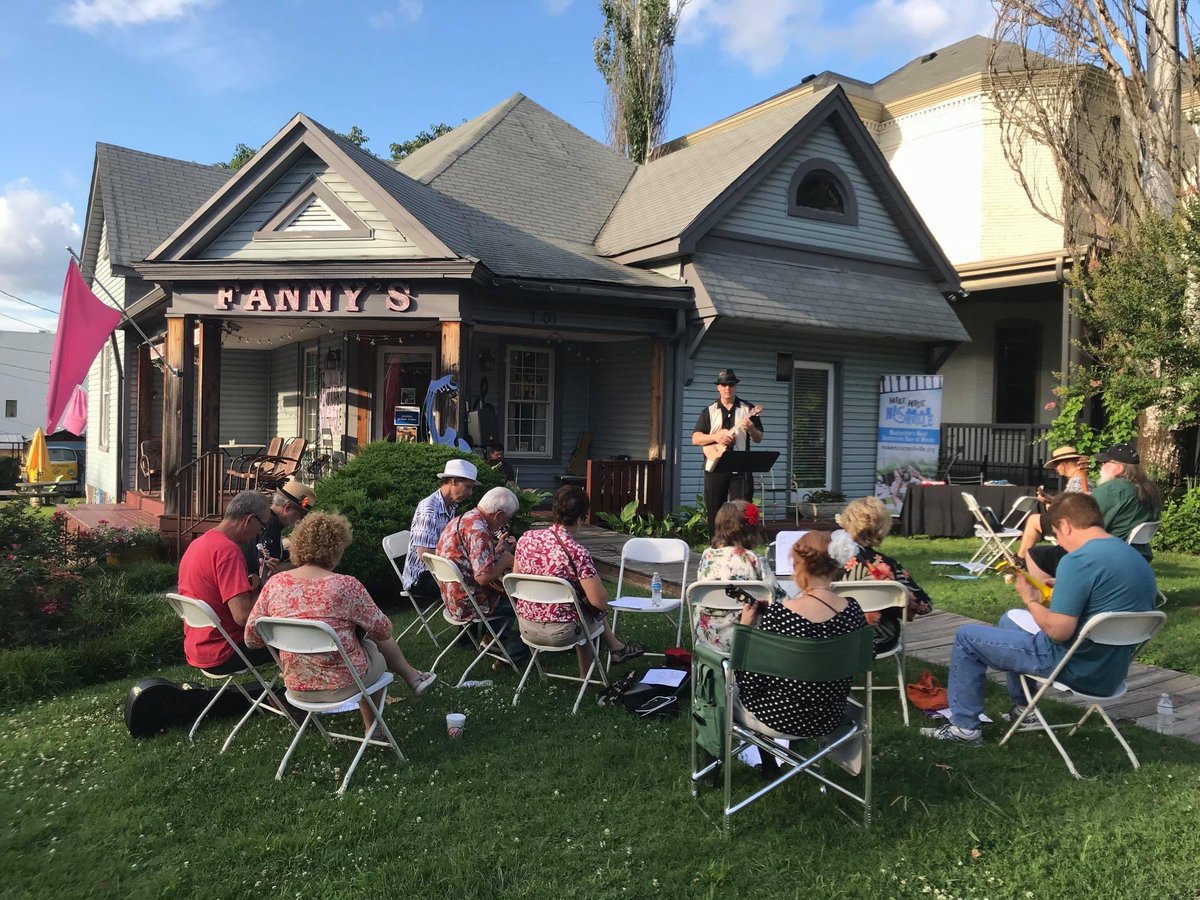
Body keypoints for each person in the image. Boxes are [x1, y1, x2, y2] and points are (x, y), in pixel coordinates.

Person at [921, 492, 1156, 745]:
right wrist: (1066, 588)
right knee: (1009, 621)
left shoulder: (1077, 560)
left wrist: (1031, 599)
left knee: (966, 637)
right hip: (1111, 671)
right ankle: (1024, 710)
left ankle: (964, 728)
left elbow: (1058, 632)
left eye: (1056, 535)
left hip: (1073, 666)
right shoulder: (1133, 556)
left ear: (1065, 525)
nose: (1059, 542)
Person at [245, 512, 435, 735]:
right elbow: (384, 630)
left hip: (296, 686)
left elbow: (251, 640)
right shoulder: (345, 586)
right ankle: (374, 726)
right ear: (337, 548)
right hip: (343, 686)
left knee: (360, 648)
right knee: (373, 648)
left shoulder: (275, 584)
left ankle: (406, 684)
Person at [736, 530, 868, 737]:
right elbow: (867, 656)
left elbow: (751, 681)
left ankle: (717, 765)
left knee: (720, 691)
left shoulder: (781, 614)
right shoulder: (852, 610)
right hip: (831, 717)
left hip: (777, 718)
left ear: (799, 567)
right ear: (834, 566)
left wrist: (745, 628)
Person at [511, 485, 645, 675]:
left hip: (527, 626)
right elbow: (600, 603)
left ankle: (617, 648)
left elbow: (517, 579)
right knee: (588, 610)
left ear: (554, 511)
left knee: (582, 605)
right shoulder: (577, 553)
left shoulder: (526, 539)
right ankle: (586, 675)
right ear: (583, 517)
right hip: (563, 632)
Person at [177, 490, 275, 673]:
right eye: (261, 527)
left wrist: (253, 586)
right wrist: (269, 587)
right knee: (295, 643)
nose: (259, 535)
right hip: (226, 650)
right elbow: (243, 617)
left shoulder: (198, 544)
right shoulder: (228, 551)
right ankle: (297, 697)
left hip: (197, 647)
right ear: (250, 520)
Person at [435, 486, 531, 666]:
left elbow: (471, 560)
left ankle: (493, 640)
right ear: (499, 515)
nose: (503, 525)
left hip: (451, 598)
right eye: (506, 520)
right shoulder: (479, 531)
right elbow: (483, 578)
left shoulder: (463, 519)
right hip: (470, 604)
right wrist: (506, 562)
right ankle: (513, 654)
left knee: (507, 594)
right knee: (524, 602)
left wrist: (497, 551)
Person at [834, 496, 932, 653]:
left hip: (831, 634)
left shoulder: (828, 561)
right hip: (877, 637)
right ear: (882, 528)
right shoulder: (885, 565)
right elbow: (924, 606)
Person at [693, 500, 774, 654]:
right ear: (750, 529)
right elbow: (777, 597)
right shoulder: (754, 559)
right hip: (745, 638)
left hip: (707, 641)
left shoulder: (707, 556)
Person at [691, 368, 764, 533]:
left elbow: (758, 438)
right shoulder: (709, 411)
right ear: (718, 387)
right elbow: (695, 438)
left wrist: (751, 428)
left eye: (731, 384)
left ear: (735, 386)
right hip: (715, 466)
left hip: (740, 467)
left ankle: (741, 547)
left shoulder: (748, 409)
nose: (727, 388)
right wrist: (717, 437)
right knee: (714, 511)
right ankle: (715, 546)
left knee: (742, 511)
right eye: (723, 385)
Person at [402, 458, 479, 608]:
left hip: (439, 570)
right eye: (468, 487)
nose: (470, 493)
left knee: (480, 578)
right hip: (421, 578)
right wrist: (459, 568)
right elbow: (425, 555)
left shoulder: (450, 505)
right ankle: (467, 629)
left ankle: (474, 629)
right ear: (453, 481)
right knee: (474, 586)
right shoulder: (428, 509)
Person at [1016, 446, 1090, 563]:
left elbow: (1072, 509)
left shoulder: (1077, 481)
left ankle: (1020, 559)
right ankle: (1023, 558)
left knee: (1034, 520)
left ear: (1064, 464)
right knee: (1036, 520)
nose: (1056, 468)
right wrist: (1049, 499)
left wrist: (1051, 506)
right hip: (1073, 522)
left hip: (1071, 525)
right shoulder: (1079, 479)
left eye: (1056, 464)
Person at [242, 477, 316, 584]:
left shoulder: (267, 518)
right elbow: (268, 569)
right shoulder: (271, 524)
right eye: (301, 514)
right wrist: (303, 564)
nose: (301, 519)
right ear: (287, 508)